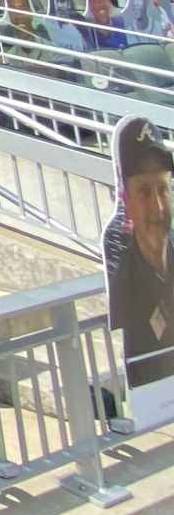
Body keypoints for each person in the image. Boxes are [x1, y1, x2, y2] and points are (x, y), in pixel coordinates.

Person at [109, 119, 174, 388]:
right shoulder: (125, 281)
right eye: (145, 192)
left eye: (163, 189)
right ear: (127, 201)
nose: (158, 208)